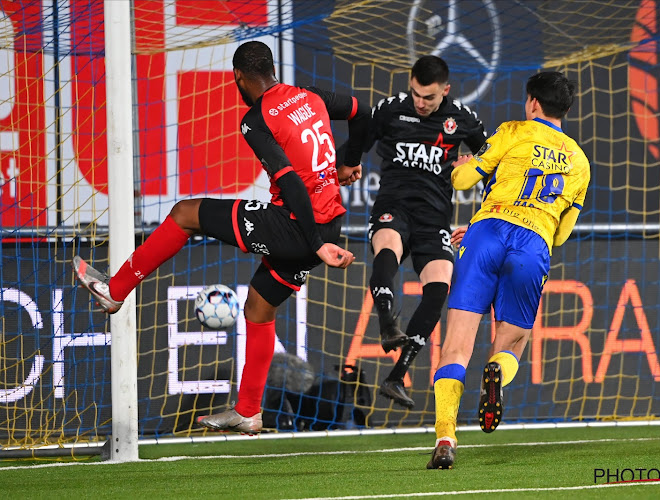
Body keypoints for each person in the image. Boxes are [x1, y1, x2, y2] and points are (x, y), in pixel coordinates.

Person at [73, 40, 369, 435]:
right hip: (327, 222)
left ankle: (116, 289)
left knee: (185, 213)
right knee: (259, 308)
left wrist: (314, 243)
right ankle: (248, 411)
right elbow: (363, 111)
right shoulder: (308, 95)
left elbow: (291, 182)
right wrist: (349, 161)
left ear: (239, 78)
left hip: (300, 227)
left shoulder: (257, 119)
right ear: (273, 69)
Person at [426, 71, 591, 469]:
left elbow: (464, 180)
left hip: (486, 233)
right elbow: (563, 235)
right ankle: (497, 370)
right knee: (514, 341)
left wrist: (463, 166)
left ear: (533, 102)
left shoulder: (513, 131)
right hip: (534, 243)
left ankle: (446, 438)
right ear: (565, 110)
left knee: (456, 346)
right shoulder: (580, 163)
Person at [364, 55, 486, 409]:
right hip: (395, 204)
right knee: (387, 247)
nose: (420, 102)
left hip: (434, 218)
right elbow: (360, 138)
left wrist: (474, 166)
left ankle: (395, 376)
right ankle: (388, 322)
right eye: (416, 94)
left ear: (445, 91)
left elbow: (492, 167)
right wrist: (350, 161)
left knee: (439, 287)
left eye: (429, 97)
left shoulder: (462, 120)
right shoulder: (390, 109)